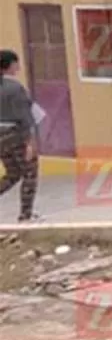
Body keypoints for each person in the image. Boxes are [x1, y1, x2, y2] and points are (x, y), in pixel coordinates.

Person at [0, 49, 41, 223]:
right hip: (15, 134)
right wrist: (31, 141)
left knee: (13, 173)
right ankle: (26, 214)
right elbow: (25, 117)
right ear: (9, 65)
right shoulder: (14, 88)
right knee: (30, 172)